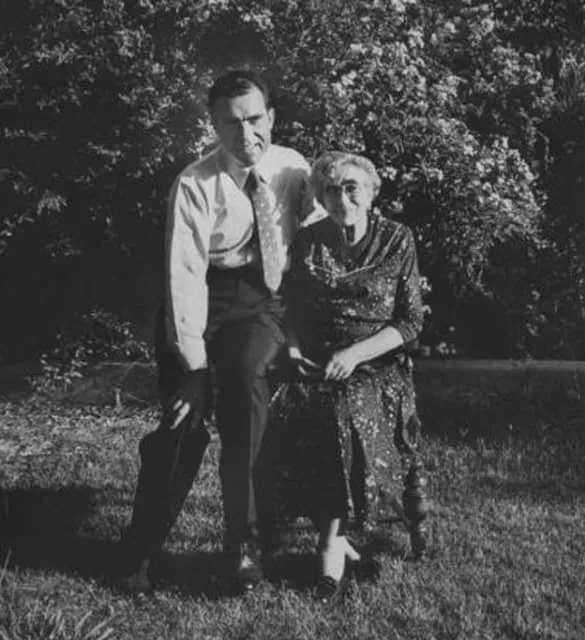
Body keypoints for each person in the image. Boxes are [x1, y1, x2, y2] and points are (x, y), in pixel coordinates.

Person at [115, 69, 321, 594]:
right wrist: (193, 370)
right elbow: (183, 277)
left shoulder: (294, 167)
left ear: (271, 117)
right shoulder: (194, 184)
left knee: (246, 389)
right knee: (181, 424)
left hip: (260, 301)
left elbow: (321, 237)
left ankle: (242, 546)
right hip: (200, 301)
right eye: (232, 124)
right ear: (213, 126)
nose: (246, 134)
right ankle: (140, 554)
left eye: (254, 119)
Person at [270, 151, 426, 604]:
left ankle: (329, 550)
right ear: (321, 197)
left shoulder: (397, 238)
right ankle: (334, 539)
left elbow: (410, 322)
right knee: (283, 401)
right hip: (318, 359)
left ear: (372, 192)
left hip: (377, 363)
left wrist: (355, 355)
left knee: (336, 407)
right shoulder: (309, 241)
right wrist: (293, 347)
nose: (343, 198)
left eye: (352, 187)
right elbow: (292, 308)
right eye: (332, 190)